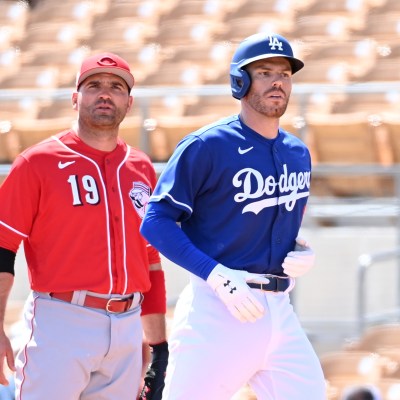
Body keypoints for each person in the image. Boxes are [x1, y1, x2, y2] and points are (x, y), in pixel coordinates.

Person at [140, 32, 326, 399]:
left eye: (285, 74)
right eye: (265, 72)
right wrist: (215, 275)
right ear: (240, 81)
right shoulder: (207, 145)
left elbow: (276, 224)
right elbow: (156, 220)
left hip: (280, 309)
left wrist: (301, 250)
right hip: (217, 308)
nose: (277, 81)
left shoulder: (298, 152)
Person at [0, 52, 168, 399]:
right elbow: (3, 248)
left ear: (129, 102)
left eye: (116, 87)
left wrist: (158, 344)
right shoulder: (37, 162)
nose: (105, 93)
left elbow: (150, 259)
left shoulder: (141, 166)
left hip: (126, 326)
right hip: (62, 320)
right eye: (94, 85)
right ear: (75, 98)